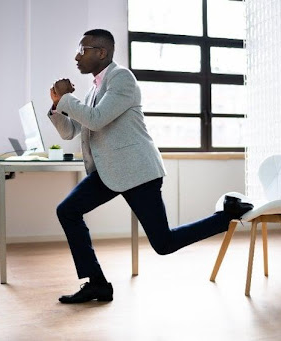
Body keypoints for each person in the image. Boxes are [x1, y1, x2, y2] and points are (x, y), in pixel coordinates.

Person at [48, 29, 250, 304]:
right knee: (67, 211)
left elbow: (96, 119)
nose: (76, 56)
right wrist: (57, 106)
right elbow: (70, 132)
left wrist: (67, 100)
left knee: (163, 244)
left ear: (102, 52)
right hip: (109, 172)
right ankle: (97, 284)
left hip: (138, 171)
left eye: (82, 50)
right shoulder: (94, 87)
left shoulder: (122, 78)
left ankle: (226, 216)